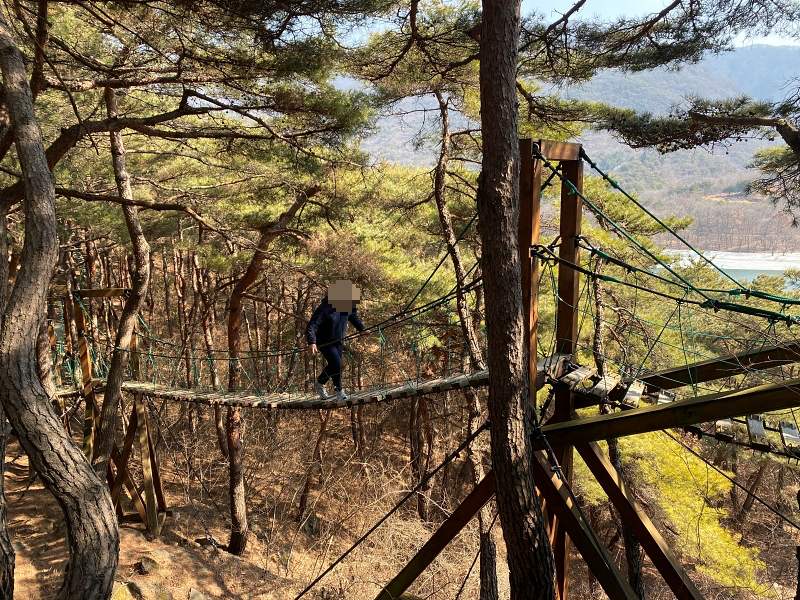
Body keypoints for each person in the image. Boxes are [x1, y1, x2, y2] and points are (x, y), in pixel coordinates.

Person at [306, 279, 366, 400]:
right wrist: (312, 342)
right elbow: (312, 325)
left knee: (335, 365)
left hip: (338, 341)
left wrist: (362, 329)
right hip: (325, 342)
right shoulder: (324, 308)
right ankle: (338, 390)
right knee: (337, 364)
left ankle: (319, 383)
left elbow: (353, 316)